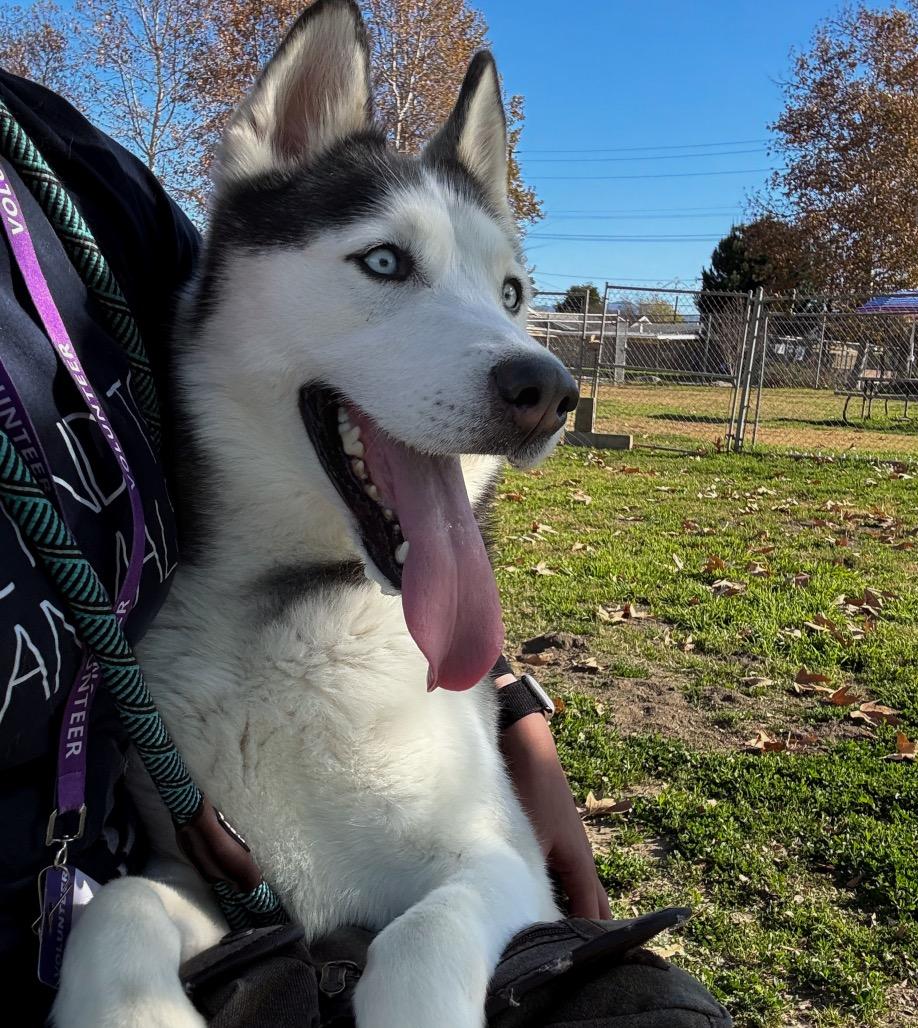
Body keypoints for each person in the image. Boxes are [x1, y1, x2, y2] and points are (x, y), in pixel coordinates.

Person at [0, 67, 608, 1023]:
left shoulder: (72, 178)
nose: (524, 361)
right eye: (386, 262)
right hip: (104, 836)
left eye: (507, 291)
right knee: (128, 919)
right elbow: (193, 882)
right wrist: (126, 937)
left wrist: (508, 704)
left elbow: (496, 871)